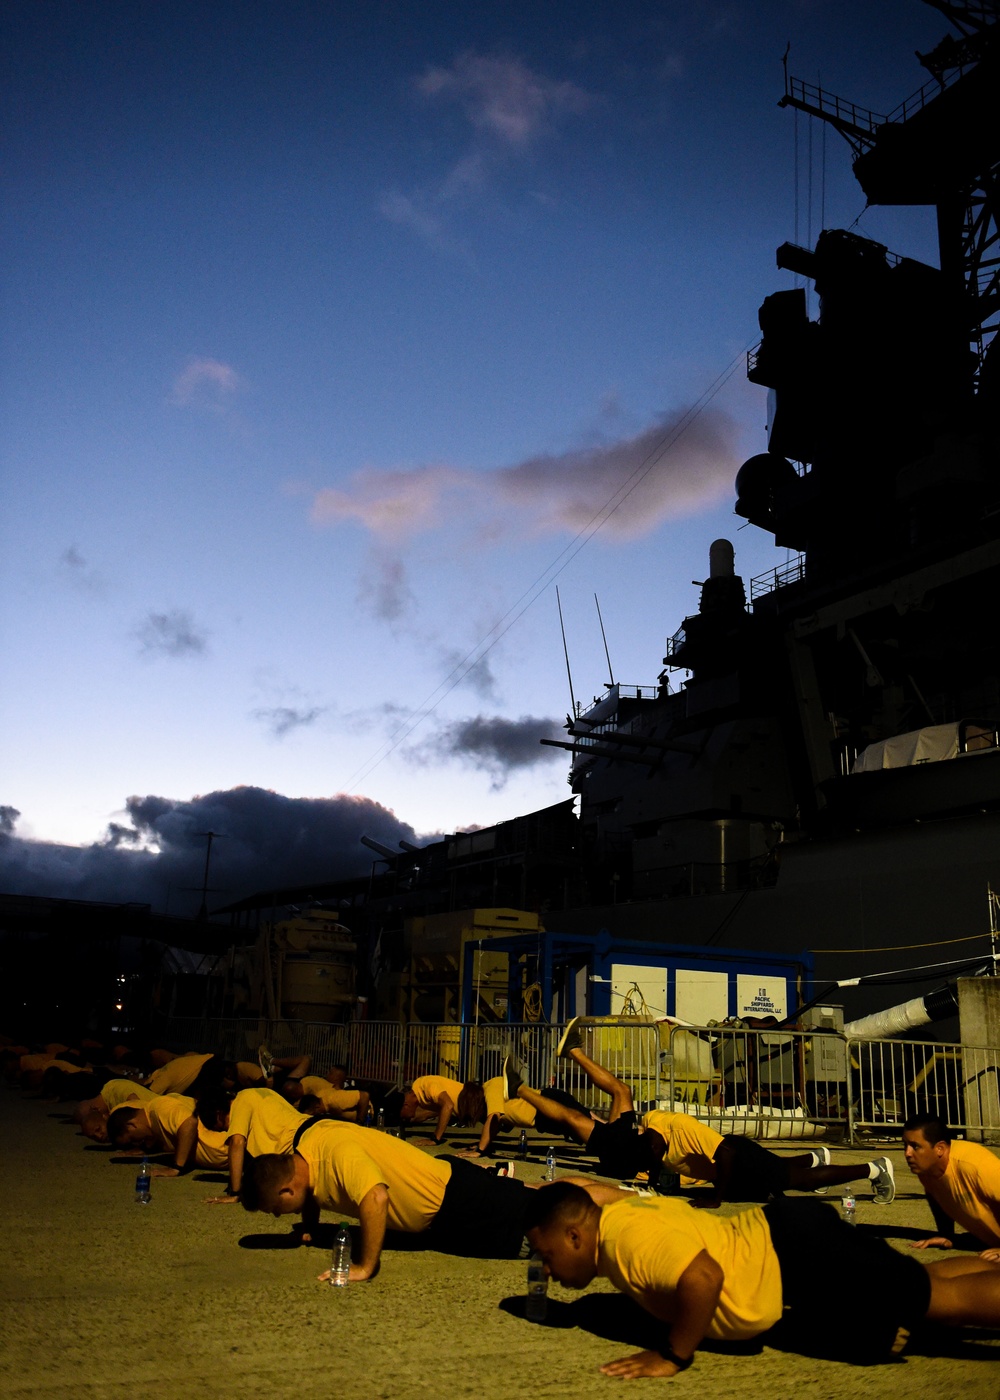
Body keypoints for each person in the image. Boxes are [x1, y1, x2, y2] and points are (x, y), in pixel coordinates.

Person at [525, 1180, 1000, 1376]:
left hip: (795, 1254)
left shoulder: (625, 1241)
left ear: (573, 1236)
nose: (544, 1272)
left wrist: (672, 1354)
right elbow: (598, 1192)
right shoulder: (617, 1212)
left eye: (545, 1256)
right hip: (787, 1244)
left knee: (941, 1303)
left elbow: (703, 1278)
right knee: (920, 1288)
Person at [504, 1020, 895, 1202]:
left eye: (652, 1150)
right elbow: (668, 1154)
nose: (654, 1153)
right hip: (730, 1162)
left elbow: (723, 1154)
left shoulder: (663, 1127)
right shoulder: (656, 1131)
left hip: (732, 1156)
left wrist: (715, 1195)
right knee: (784, 1174)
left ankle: (874, 1169)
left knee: (790, 1180)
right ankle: (820, 1158)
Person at [241, 1117, 530, 1279]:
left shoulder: (336, 1156)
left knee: (541, 1218)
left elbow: (376, 1198)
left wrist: (365, 1266)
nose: (279, 1216)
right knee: (528, 1220)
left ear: (286, 1191)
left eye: (275, 1210)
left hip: (458, 1198)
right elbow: (312, 1193)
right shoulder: (306, 1153)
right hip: (443, 1211)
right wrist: (310, 1229)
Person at [903, 1112, 1000, 1259]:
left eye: (915, 1146)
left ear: (940, 1148)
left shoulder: (977, 1166)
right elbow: (935, 1194)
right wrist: (947, 1235)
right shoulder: (926, 1168)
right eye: (905, 1145)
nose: (907, 1153)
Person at [197, 1086, 309, 1201]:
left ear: (218, 1114)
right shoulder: (259, 1092)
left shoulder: (240, 1103)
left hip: (300, 1144)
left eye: (221, 1128)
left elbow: (237, 1142)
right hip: (312, 1127)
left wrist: (235, 1192)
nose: (227, 1131)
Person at [106, 1094, 228, 1175]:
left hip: (231, 1148)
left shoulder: (159, 1107)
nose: (136, 1143)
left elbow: (189, 1123)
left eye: (132, 1140)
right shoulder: (154, 1120)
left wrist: (176, 1167)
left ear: (131, 1125)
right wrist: (143, 1150)